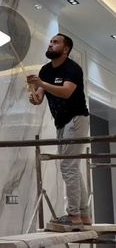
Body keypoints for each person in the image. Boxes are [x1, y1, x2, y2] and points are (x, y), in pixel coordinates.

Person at [27, 33, 91, 229]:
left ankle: (73, 216)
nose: (51, 44)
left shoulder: (73, 69)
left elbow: (65, 92)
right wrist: (34, 94)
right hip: (61, 122)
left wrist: (41, 84)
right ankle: (83, 215)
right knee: (72, 166)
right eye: (50, 42)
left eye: (55, 42)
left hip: (76, 118)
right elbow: (39, 98)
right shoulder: (45, 70)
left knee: (67, 166)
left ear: (65, 49)